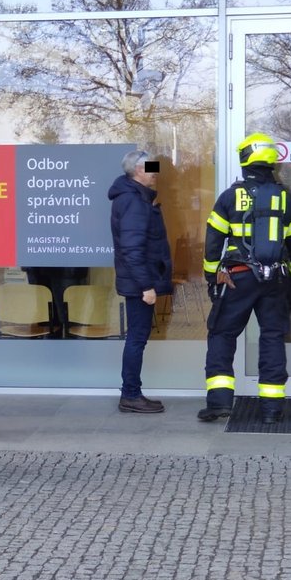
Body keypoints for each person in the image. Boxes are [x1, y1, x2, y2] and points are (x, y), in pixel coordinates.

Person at [199, 132, 291, 425]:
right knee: (272, 337)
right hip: (275, 280)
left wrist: (213, 277)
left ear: (245, 159)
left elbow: (213, 243)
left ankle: (219, 402)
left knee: (222, 334)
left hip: (237, 277)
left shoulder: (230, 197)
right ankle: (272, 409)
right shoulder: (287, 198)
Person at [108, 149, 173, 414]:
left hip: (138, 280)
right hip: (139, 284)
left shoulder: (134, 197)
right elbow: (132, 250)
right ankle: (131, 395)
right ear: (137, 170)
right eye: (151, 167)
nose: (156, 173)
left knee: (137, 337)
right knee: (137, 339)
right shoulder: (134, 201)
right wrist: (147, 286)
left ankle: (132, 393)